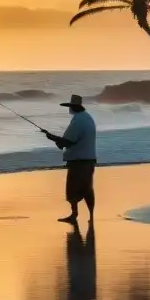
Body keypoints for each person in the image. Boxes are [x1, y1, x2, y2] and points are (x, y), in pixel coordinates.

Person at [43, 94, 97, 224]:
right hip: (89, 159)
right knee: (87, 189)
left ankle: (74, 215)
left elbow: (68, 141)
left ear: (74, 107)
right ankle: (91, 216)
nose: (69, 109)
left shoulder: (78, 120)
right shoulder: (88, 118)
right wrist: (56, 139)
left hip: (79, 161)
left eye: (70, 107)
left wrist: (51, 137)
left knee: (72, 189)